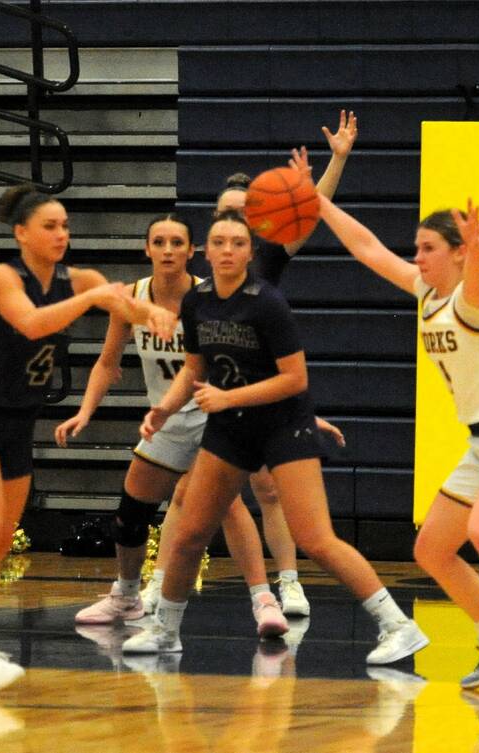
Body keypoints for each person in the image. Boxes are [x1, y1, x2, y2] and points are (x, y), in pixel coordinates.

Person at [121, 208, 427, 667]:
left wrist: (230, 397)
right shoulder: (198, 301)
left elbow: (295, 379)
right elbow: (194, 368)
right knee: (189, 534)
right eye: (219, 242)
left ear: (249, 252)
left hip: (284, 425)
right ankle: (165, 628)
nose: (227, 250)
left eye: (238, 243)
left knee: (315, 538)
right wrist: (164, 408)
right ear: (206, 250)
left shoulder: (266, 302)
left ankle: (398, 625)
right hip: (232, 428)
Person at [315, 195, 479, 693]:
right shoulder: (426, 293)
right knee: (432, 549)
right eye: (416, 248)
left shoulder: (477, 301)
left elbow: (477, 276)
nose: (417, 257)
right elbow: (368, 248)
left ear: (458, 253)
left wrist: (476, 247)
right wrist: (320, 203)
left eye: (428, 248)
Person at [0, 185, 176, 692]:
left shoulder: (79, 277)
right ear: (21, 233)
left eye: (65, 226)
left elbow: (123, 309)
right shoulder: (3, 277)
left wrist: (154, 314)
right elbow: (34, 323)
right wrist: (95, 297)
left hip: (18, 422)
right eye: (50, 226)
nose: (62, 234)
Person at [55, 214, 291, 639]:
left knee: (228, 505)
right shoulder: (132, 297)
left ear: (190, 251)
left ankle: (264, 599)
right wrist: (85, 411)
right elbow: (108, 363)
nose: (167, 250)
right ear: (146, 249)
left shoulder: (205, 298)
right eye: (159, 242)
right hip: (165, 417)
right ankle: (126, 596)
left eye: (176, 243)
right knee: (130, 513)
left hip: (211, 411)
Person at [193, 112, 360, 616]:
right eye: (227, 213)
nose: (234, 223)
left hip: (263, 384)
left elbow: (310, 208)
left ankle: (288, 583)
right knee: (203, 498)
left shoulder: (268, 253)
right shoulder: (202, 271)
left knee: (268, 487)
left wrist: (338, 159)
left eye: (243, 214)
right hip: (214, 386)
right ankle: (162, 594)